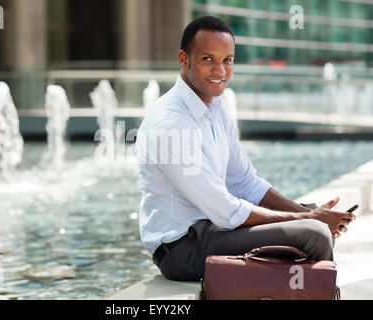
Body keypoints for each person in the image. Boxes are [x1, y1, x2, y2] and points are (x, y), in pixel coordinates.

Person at [136, 16, 355, 281]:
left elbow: (246, 183)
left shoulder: (215, 108)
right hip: (182, 248)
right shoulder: (171, 124)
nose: (220, 70)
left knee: (311, 216)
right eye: (208, 59)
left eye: (227, 60)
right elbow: (225, 210)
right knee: (315, 233)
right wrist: (310, 219)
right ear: (184, 59)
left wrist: (308, 212)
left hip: (211, 230)